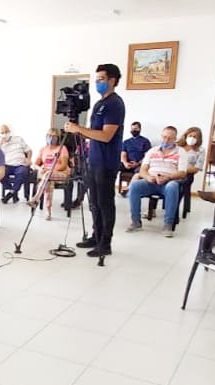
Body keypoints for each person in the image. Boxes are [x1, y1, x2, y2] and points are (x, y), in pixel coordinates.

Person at [65, 64, 126, 259]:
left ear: (112, 80)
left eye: (101, 79)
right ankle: (96, 236)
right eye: (96, 79)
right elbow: (94, 133)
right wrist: (79, 131)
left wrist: (79, 129)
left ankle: (105, 243)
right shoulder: (100, 104)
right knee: (94, 202)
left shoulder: (115, 104)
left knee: (104, 203)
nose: (98, 82)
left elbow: (106, 136)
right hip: (94, 159)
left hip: (107, 162)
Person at [126, 126, 183, 237]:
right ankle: (136, 222)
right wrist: (148, 177)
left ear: (175, 139)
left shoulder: (181, 152)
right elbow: (143, 169)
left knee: (172, 187)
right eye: (164, 137)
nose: (166, 140)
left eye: (170, 138)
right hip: (151, 181)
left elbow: (182, 172)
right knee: (134, 186)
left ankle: (168, 225)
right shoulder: (152, 151)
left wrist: (168, 177)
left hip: (168, 182)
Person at [31, 128, 71, 221]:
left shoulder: (62, 148)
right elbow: (35, 164)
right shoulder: (43, 149)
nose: (51, 138)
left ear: (58, 138)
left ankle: (36, 198)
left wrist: (50, 170)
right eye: (49, 135)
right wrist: (40, 169)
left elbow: (64, 166)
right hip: (47, 176)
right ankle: (48, 212)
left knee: (47, 175)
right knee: (48, 182)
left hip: (61, 173)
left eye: (54, 136)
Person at [0, 124, 32, 204]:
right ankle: (13, 191)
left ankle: (10, 193)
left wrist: (28, 159)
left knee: (22, 172)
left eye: (6, 132)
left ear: (10, 131)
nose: (5, 134)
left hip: (19, 164)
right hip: (6, 165)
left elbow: (29, 150)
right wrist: (1, 144)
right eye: (2, 133)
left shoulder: (18, 139)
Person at [118, 122, 152, 196]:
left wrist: (138, 163)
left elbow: (147, 156)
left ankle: (128, 189)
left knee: (140, 171)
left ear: (140, 129)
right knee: (113, 167)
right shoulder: (126, 142)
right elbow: (123, 154)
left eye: (136, 129)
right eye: (132, 129)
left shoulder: (145, 141)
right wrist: (125, 163)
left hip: (139, 164)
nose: (134, 130)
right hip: (128, 164)